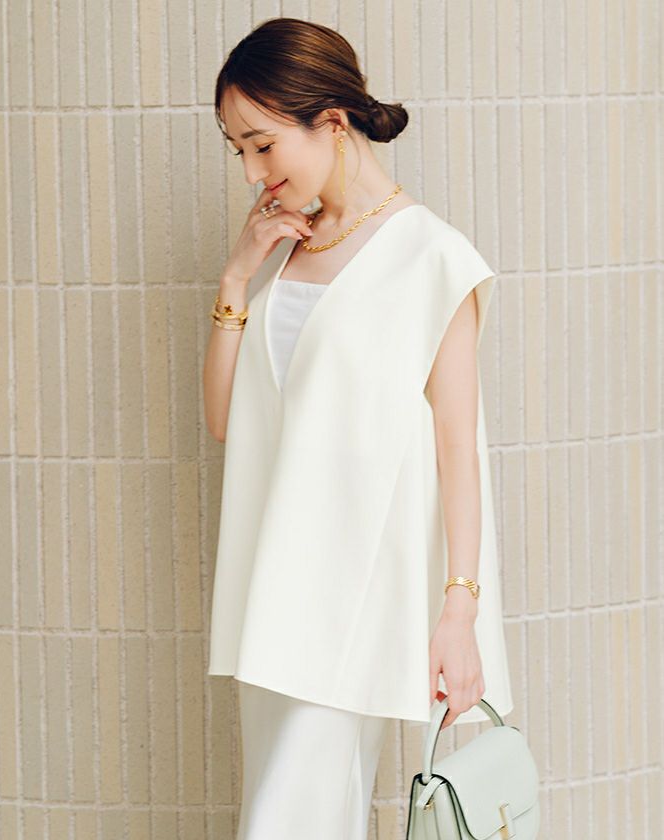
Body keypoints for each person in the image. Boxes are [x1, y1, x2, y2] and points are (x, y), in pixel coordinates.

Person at [202, 17, 513, 840]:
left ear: (332, 123)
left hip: (354, 597)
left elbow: (458, 450)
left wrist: (459, 613)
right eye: (238, 150)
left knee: (286, 822)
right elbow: (227, 420)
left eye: (263, 145)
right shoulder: (286, 250)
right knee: (290, 814)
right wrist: (237, 277)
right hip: (273, 595)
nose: (252, 172)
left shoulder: (430, 256)